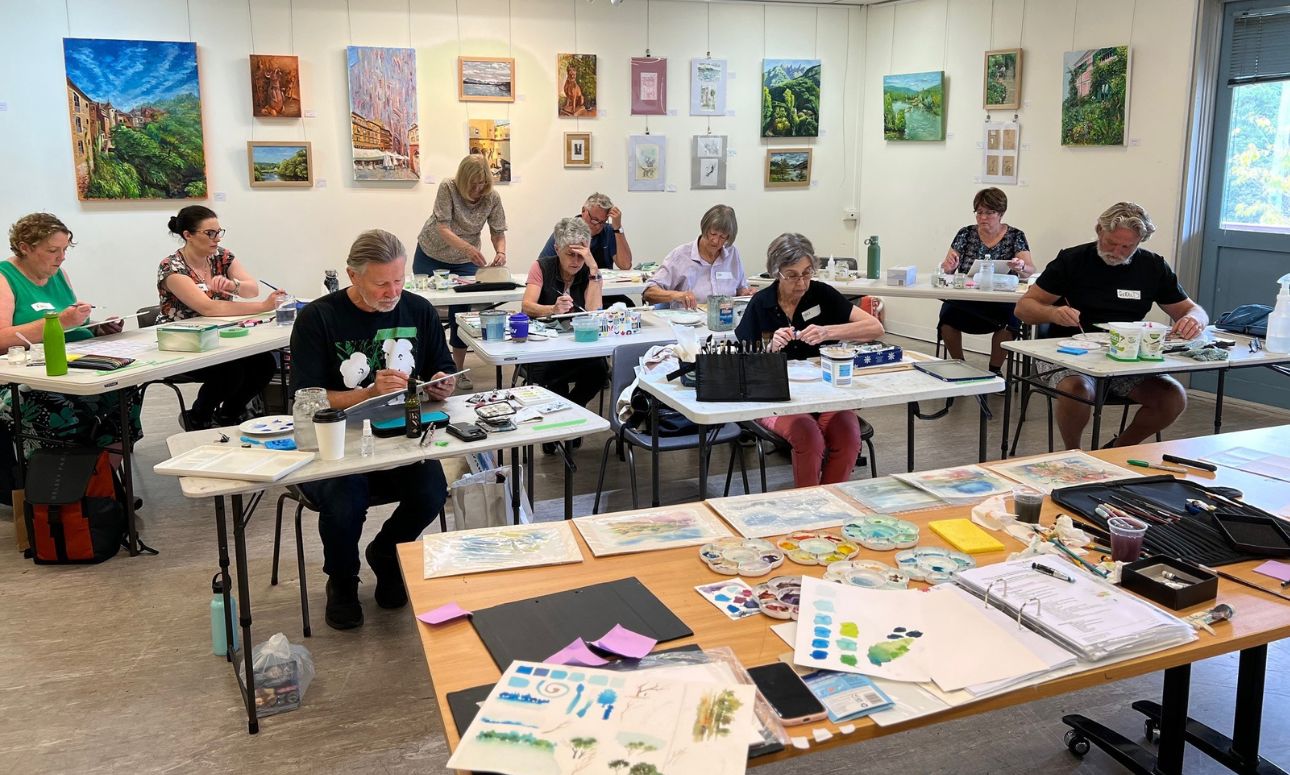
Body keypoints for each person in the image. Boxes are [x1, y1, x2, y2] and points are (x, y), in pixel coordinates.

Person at [291, 229, 457, 630]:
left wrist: (442, 382)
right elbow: (306, 398)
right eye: (382, 284)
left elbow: (443, 366)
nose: (392, 292)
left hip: (400, 436)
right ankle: (342, 579)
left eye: (399, 280)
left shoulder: (418, 310)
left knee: (432, 490)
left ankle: (387, 552)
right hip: (336, 441)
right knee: (345, 499)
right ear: (353, 275)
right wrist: (366, 393)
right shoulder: (319, 318)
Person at [1015, 202, 1208, 450]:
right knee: (1078, 390)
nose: (1116, 251)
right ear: (1099, 230)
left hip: (1123, 357)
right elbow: (1023, 308)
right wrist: (1052, 313)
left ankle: (1114, 451)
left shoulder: (1152, 267)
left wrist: (1195, 320)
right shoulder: (1072, 261)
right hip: (1067, 354)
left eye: (1126, 247)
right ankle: (1073, 453)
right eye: (1110, 243)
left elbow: (1192, 310)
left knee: (1173, 397)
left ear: (1139, 242)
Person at [735, 233, 884, 488]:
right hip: (777, 398)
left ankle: (831, 499)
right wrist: (770, 348)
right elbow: (743, 361)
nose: (802, 283)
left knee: (848, 436)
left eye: (807, 273)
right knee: (807, 436)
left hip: (825, 393)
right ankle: (808, 502)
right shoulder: (761, 303)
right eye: (792, 275)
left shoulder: (821, 294)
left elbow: (875, 327)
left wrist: (828, 331)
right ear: (776, 273)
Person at [0, 213, 139, 455]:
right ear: (25, 248)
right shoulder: (5, 277)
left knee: (124, 389)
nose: (62, 257)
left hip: (73, 364)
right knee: (61, 402)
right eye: (53, 250)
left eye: (65, 249)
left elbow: (70, 325)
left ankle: (103, 474)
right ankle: (62, 472)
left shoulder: (58, 274)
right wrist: (60, 322)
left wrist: (97, 328)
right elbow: (2, 339)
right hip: (28, 377)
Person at [158, 206, 288, 429]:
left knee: (264, 364)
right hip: (183, 343)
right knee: (230, 371)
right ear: (188, 235)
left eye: (219, 232)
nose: (217, 238)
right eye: (210, 233)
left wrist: (232, 285)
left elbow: (252, 289)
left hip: (221, 337)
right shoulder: (172, 267)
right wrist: (263, 307)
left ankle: (229, 415)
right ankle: (198, 417)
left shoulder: (222, 256)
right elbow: (208, 308)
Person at [414, 154, 508, 389]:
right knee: (423, 310)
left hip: (465, 260)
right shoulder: (448, 187)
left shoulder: (492, 197)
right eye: (473, 184)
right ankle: (424, 369)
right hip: (431, 254)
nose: (478, 189)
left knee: (461, 313)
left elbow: (497, 230)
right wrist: (467, 247)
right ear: (463, 179)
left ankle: (455, 371)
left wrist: (501, 251)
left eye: (482, 184)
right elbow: (442, 227)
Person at [523, 218, 608, 452]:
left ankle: (573, 413)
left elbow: (594, 311)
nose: (576, 261)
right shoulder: (541, 267)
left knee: (600, 371)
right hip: (545, 347)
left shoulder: (589, 270)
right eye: (570, 254)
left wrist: (593, 269)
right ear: (557, 248)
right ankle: (562, 427)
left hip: (578, 345)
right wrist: (551, 309)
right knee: (553, 379)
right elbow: (527, 306)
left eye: (581, 255)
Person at [937, 188, 1035, 374]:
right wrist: (948, 267)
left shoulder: (1015, 236)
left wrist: (1020, 266)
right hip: (967, 297)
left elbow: (1030, 270)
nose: (983, 218)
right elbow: (946, 267)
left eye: (989, 213)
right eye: (979, 212)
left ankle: (994, 370)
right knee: (947, 317)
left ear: (1001, 213)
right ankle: (960, 366)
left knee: (1011, 321)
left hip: (1000, 299)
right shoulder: (965, 234)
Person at [644, 205, 754, 309]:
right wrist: (676, 295)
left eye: (722, 237)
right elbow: (649, 292)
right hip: (688, 320)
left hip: (725, 317)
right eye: (713, 234)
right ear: (704, 228)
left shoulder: (732, 254)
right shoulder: (681, 255)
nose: (715, 241)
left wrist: (745, 293)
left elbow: (740, 288)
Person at [539, 193, 634, 308]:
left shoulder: (608, 231)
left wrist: (617, 228)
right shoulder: (567, 232)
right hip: (573, 292)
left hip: (603, 291)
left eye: (602, 222)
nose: (598, 226)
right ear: (584, 211)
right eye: (594, 220)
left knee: (627, 305)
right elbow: (544, 268)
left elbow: (625, 265)